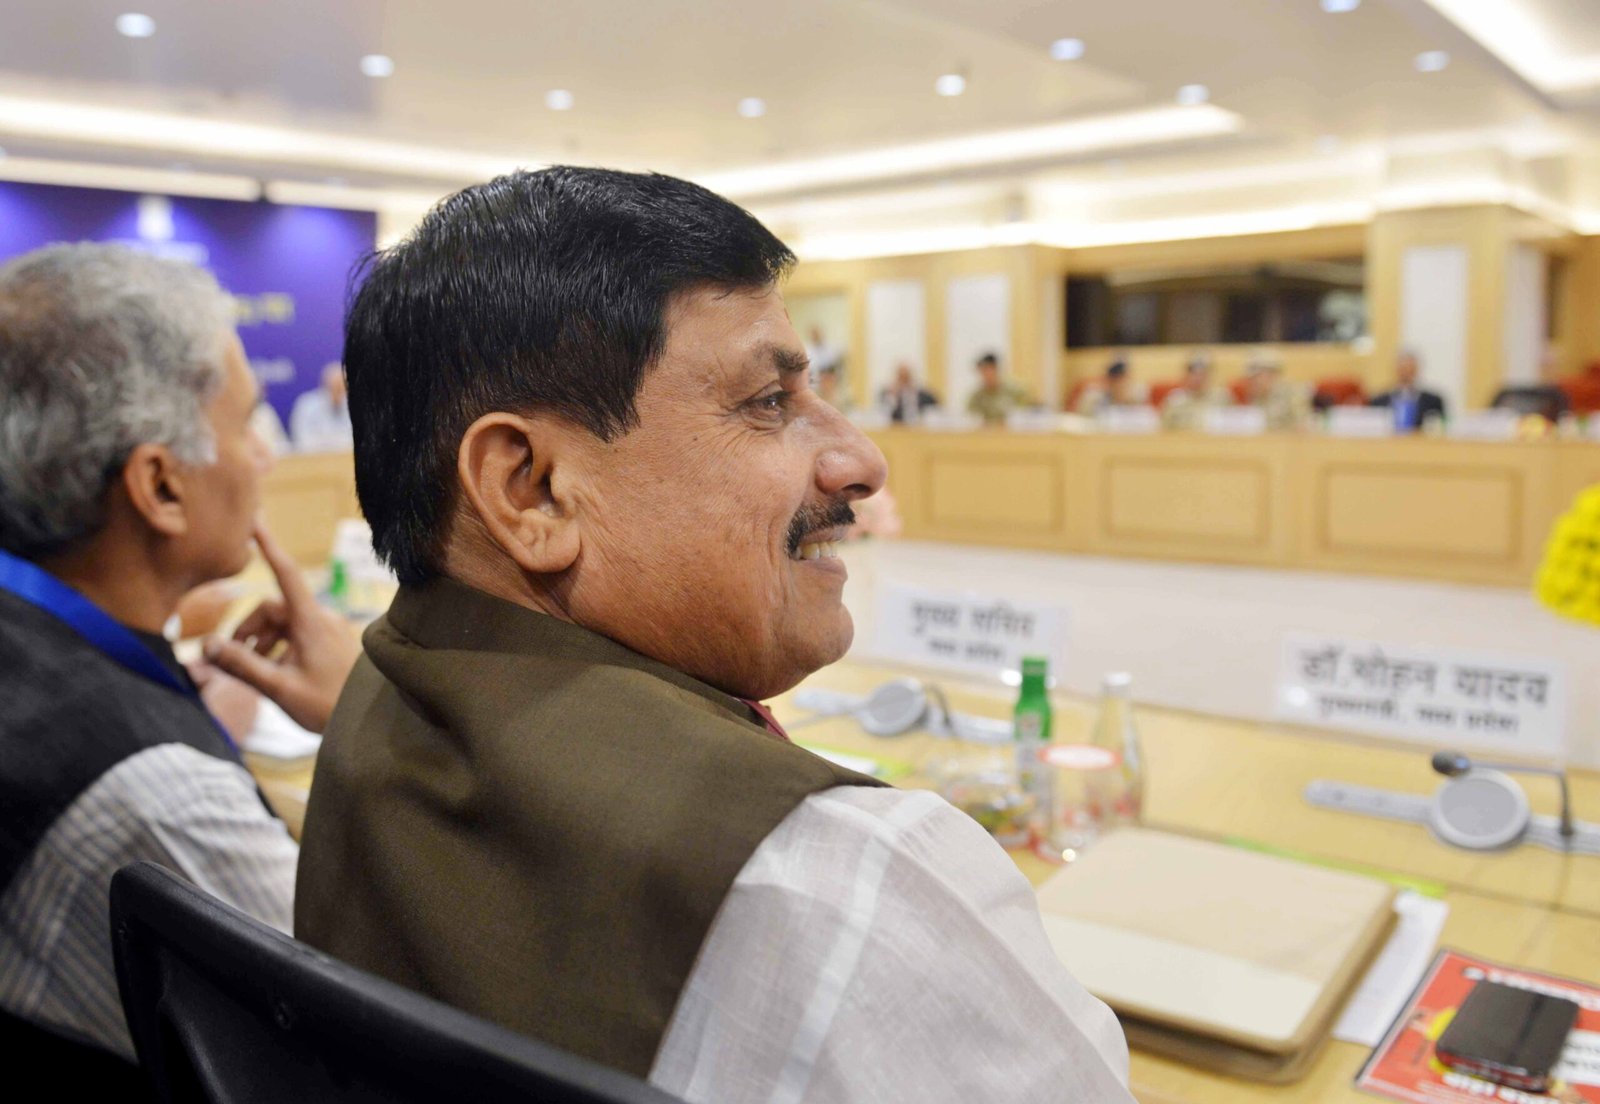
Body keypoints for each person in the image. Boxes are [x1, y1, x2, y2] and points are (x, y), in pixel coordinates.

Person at [296, 168, 1133, 1104]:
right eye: (768, 402)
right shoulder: (844, 881)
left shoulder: (371, 703)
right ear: (531, 491)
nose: (861, 461)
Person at [0, 244, 359, 1079]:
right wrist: (364, 719)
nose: (267, 456)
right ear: (160, 486)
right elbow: (349, 1037)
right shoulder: (162, 798)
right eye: (247, 424)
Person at [1369, 351, 1446, 433]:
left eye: (1410, 369)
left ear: (1416, 370)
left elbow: (1440, 430)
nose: (1406, 373)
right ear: (1396, 370)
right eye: (1403, 369)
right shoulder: (1378, 401)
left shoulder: (1433, 402)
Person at [289, 360, 354, 452]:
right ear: (325, 385)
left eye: (342, 387)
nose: (338, 391)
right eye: (335, 386)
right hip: (312, 457)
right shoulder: (307, 405)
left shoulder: (353, 405)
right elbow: (300, 437)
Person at [1160, 351, 1232, 431]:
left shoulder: (1222, 398)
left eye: (1203, 373)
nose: (1198, 378)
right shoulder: (1175, 400)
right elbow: (1163, 428)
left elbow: (1232, 426)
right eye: (1194, 373)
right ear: (1186, 375)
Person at [1242, 352, 1310, 432]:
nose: (1256, 381)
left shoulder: (1292, 393)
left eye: (1260, 375)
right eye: (1253, 377)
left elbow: (1302, 425)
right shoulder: (1251, 394)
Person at [966, 351, 1033, 425]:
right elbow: (970, 417)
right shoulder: (977, 396)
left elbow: (1030, 412)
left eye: (988, 370)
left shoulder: (1016, 390)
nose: (986, 375)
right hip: (987, 431)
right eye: (982, 372)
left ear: (996, 369)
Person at [1072, 358, 1149, 417]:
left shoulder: (1139, 397)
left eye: (1124, 381)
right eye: (1116, 382)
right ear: (1108, 382)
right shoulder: (1093, 399)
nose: (1121, 386)